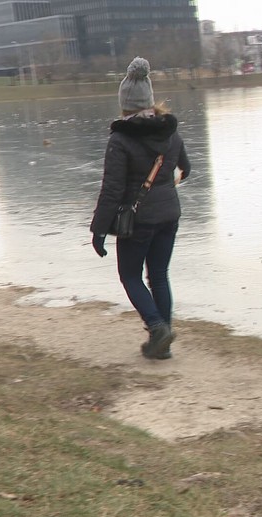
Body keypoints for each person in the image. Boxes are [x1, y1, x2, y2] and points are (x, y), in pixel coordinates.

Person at [90, 56, 191, 360]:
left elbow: (112, 189)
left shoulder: (120, 139)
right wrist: (165, 184)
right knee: (159, 275)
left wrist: (98, 231)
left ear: (125, 103)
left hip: (137, 221)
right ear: (149, 99)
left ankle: (157, 328)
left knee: (130, 276)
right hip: (170, 215)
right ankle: (163, 343)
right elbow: (186, 169)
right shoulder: (169, 131)